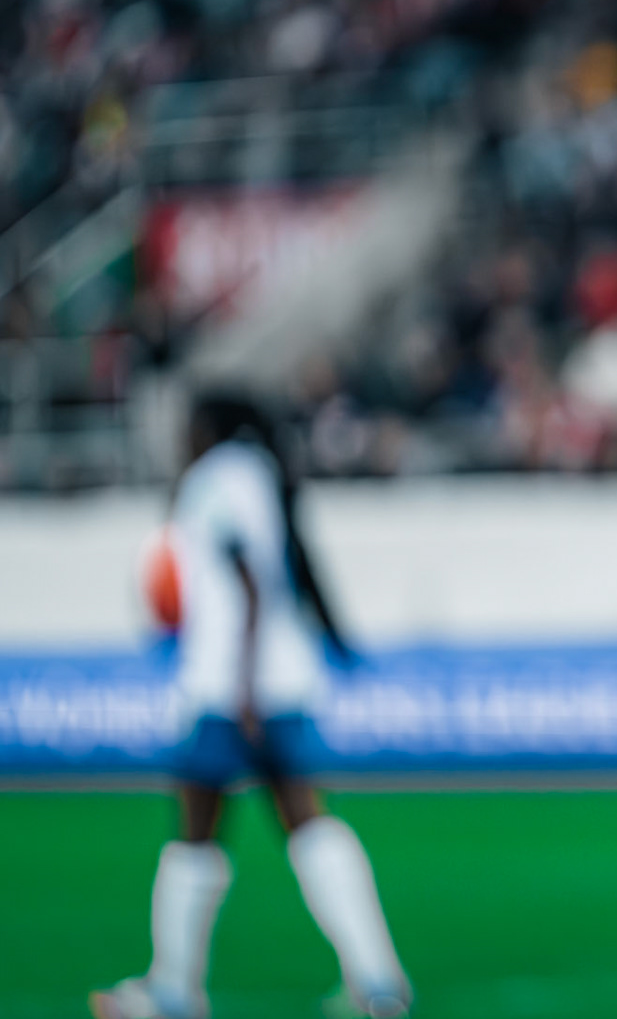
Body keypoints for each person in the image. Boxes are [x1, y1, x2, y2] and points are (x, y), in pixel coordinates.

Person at [91, 393, 411, 1019]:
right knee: (309, 823)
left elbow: (243, 580)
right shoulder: (266, 472)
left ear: (206, 429)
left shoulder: (213, 480)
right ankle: (378, 982)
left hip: (229, 688)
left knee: (194, 834)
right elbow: (293, 567)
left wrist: (240, 688)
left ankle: (174, 992)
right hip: (283, 680)